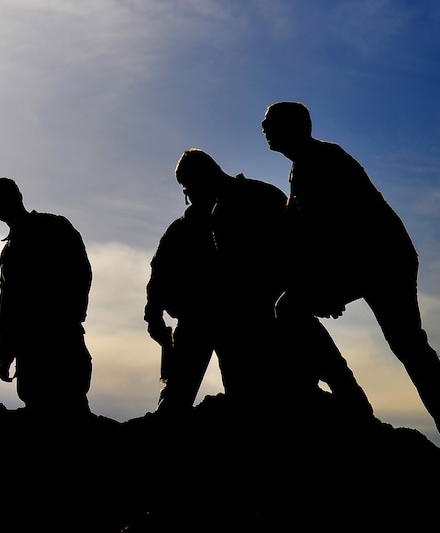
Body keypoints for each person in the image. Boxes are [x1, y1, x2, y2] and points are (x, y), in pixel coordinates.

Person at [262, 101, 440, 467]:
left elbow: (341, 228)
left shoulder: (325, 161)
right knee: (292, 307)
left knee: (408, 344)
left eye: (270, 124)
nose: (264, 130)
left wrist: (327, 285)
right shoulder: (300, 170)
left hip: (383, 259)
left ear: (294, 127)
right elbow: (302, 231)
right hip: (358, 261)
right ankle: (338, 394)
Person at [145, 149, 370, 413]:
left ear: (204, 177)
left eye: (189, 187)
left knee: (256, 391)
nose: (189, 196)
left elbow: (300, 244)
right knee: (183, 395)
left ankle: (350, 399)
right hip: (202, 321)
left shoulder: (260, 198)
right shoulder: (184, 228)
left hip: (254, 317)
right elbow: (159, 274)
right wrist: (154, 315)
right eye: (185, 191)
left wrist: (319, 288)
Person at [0, 178, 92, 416]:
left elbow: (81, 270)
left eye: (1, 199)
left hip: (62, 340)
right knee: (37, 411)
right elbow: (8, 305)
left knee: (73, 409)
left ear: (18, 197)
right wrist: (5, 355)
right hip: (30, 351)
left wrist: (72, 315)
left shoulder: (54, 226)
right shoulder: (9, 251)